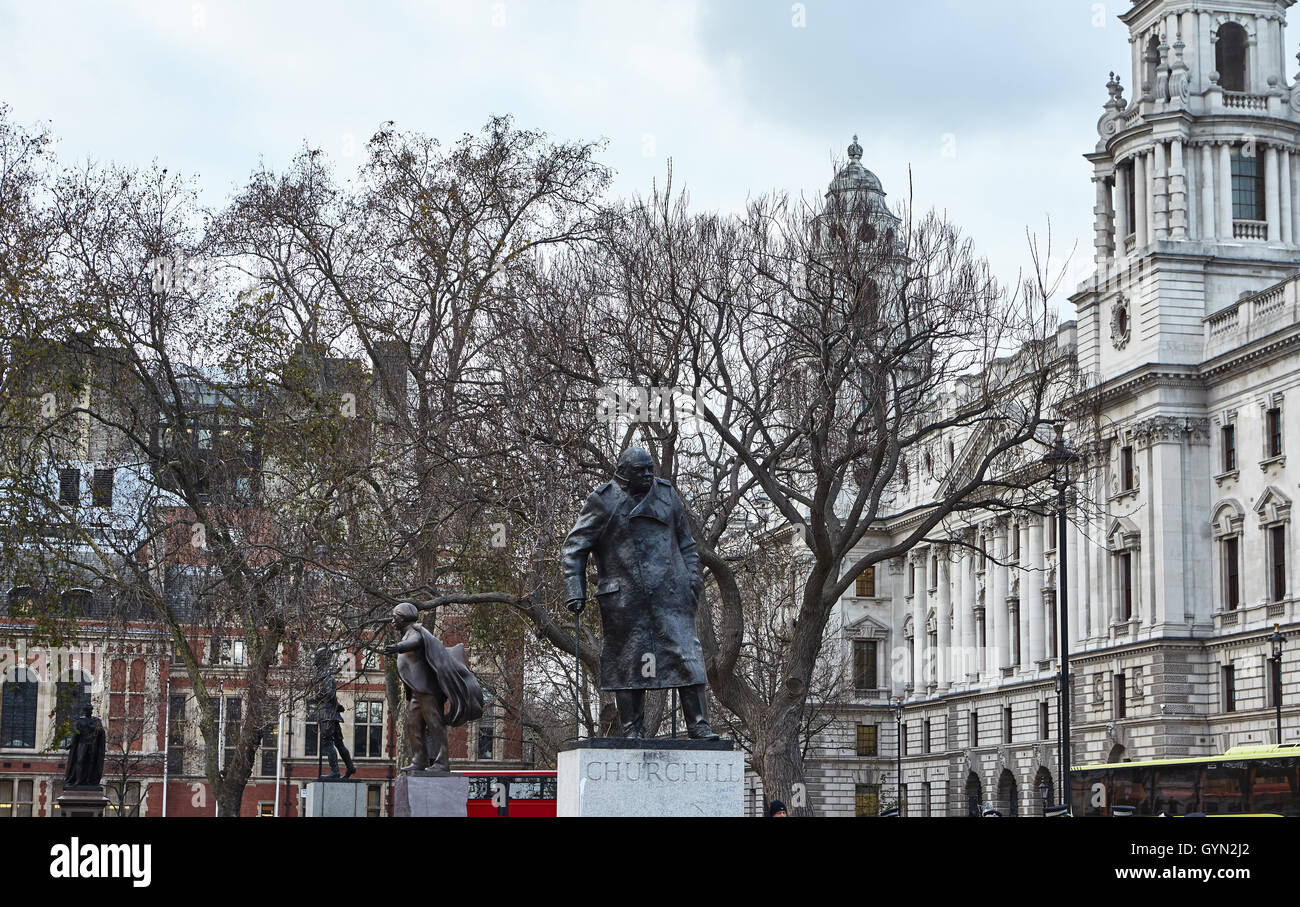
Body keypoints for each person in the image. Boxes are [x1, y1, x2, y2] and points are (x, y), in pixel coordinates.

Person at [561, 447, 718, 740]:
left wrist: (692, 582)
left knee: (688, 657)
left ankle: (699, 725)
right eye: (640, 471)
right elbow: (574, 547)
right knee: (629, 664)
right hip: (625, 600)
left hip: (672, 596)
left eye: (650, 469)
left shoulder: (667, 495)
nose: (648, 474)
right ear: (623, 472)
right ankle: (633, 730)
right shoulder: (603, 501)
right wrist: (575, 589)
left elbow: (686, 544)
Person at [382, 602, 484, 773]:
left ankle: (442, 762)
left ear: (403, 618)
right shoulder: (406, 634)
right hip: (416, 690)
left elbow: (417, 641)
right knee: (413, 725)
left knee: (434, 723)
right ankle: (419, 760)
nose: (392, 621)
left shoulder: (416, 632)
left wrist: (398, 647)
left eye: (395, 618)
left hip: (428, 691)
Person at [308, 646, 356, 779]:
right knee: (339, 743)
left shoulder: (324, 674)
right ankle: (350, 767)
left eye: (317, 657)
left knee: (327, 742)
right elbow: (331, 694)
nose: (315, 660)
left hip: (326, 714)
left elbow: (329, 693)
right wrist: (337, 705)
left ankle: (335, 771)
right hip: (331, 713)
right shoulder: (323, 674)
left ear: (322, 659)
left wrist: (316, 697)